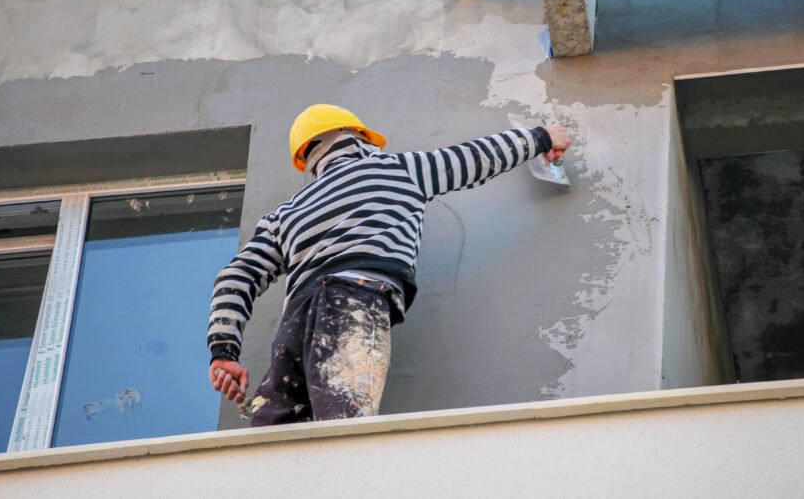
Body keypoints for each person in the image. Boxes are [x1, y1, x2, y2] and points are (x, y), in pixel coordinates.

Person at [207, 104, 571, 425]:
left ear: (308, 158)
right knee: (343, 426)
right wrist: (541, 137)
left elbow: (236, 276)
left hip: (295, 323)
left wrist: (224, 352)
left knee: (274, 441)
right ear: (360, 137)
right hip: (353, 300)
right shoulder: (397, 168)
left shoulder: (285, 214)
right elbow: (474, 158)